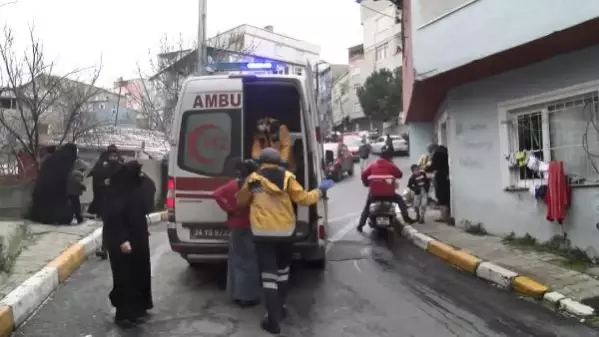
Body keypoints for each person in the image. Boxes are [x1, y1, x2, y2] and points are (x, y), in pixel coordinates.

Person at [236, 148, 334, 334]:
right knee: (282, 273)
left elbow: (241, 202)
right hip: (285, 232)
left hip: (262, 233)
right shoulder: (288, 177)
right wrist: (320, 191)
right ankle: (279, 310)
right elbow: (304, 199)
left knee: (268, 276)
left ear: (261, 161)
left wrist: (243, 185)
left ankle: (273, 320)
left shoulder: (254, 179)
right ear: (278, 160)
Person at [102, 161, 154, 327]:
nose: (141, 177)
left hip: (137, 238)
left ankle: (137, 309)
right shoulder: (116, 193)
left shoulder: (134, 189)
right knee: (125, 277)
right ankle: (124, 314)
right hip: (122, 241)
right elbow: (114, 219)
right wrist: (122, 240)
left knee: (138, 274)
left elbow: (140, 211)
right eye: (138, 174)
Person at [214, 159, 261, 308]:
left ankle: (236, 293)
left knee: (236, 261)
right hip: (251, 225)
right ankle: (247, 296)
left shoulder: (234, 184)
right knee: (250, 261)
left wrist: (230, 209)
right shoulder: (254, 186)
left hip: (236, 227)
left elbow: (216, 194)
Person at [357, 145, 415, 232]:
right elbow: (400, 175)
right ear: (390, 158)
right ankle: (406, 218)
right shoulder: (390, 165)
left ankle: (361, 225)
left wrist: (366, 184)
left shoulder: (372, 165)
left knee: (367, 207)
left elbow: (363, 175)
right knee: (400, 200)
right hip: (390, 195)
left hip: (374, 195)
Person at [30, 143, 79, 225]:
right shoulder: (66, 161)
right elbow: (65, 180)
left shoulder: (52, 158)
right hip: (55, 196)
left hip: (41, 197)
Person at [89, 145, 124, 259]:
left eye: (115, 154)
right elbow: (97, 181)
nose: (113, 156)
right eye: (111, 154)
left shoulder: (121, 166)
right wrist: (104, 183)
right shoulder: (102, 165)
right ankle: (105, 249)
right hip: (107, 200)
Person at [425, 144, 451, 223]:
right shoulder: (446, 152)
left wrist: (426, 168)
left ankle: (444, 217)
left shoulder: (437, 155)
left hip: (441, 178)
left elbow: (431, 167)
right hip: (448, 177)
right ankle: (449, 215)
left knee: (441, 196)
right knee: (447, 196)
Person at [66, 159, 89, 224]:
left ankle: (72, 219)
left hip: (70, 192)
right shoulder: (78, 174)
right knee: (76, 207)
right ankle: (79, 219)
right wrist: (83, 187)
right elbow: (78, 182)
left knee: (72, 207)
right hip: (74, 193)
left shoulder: (72, 172)